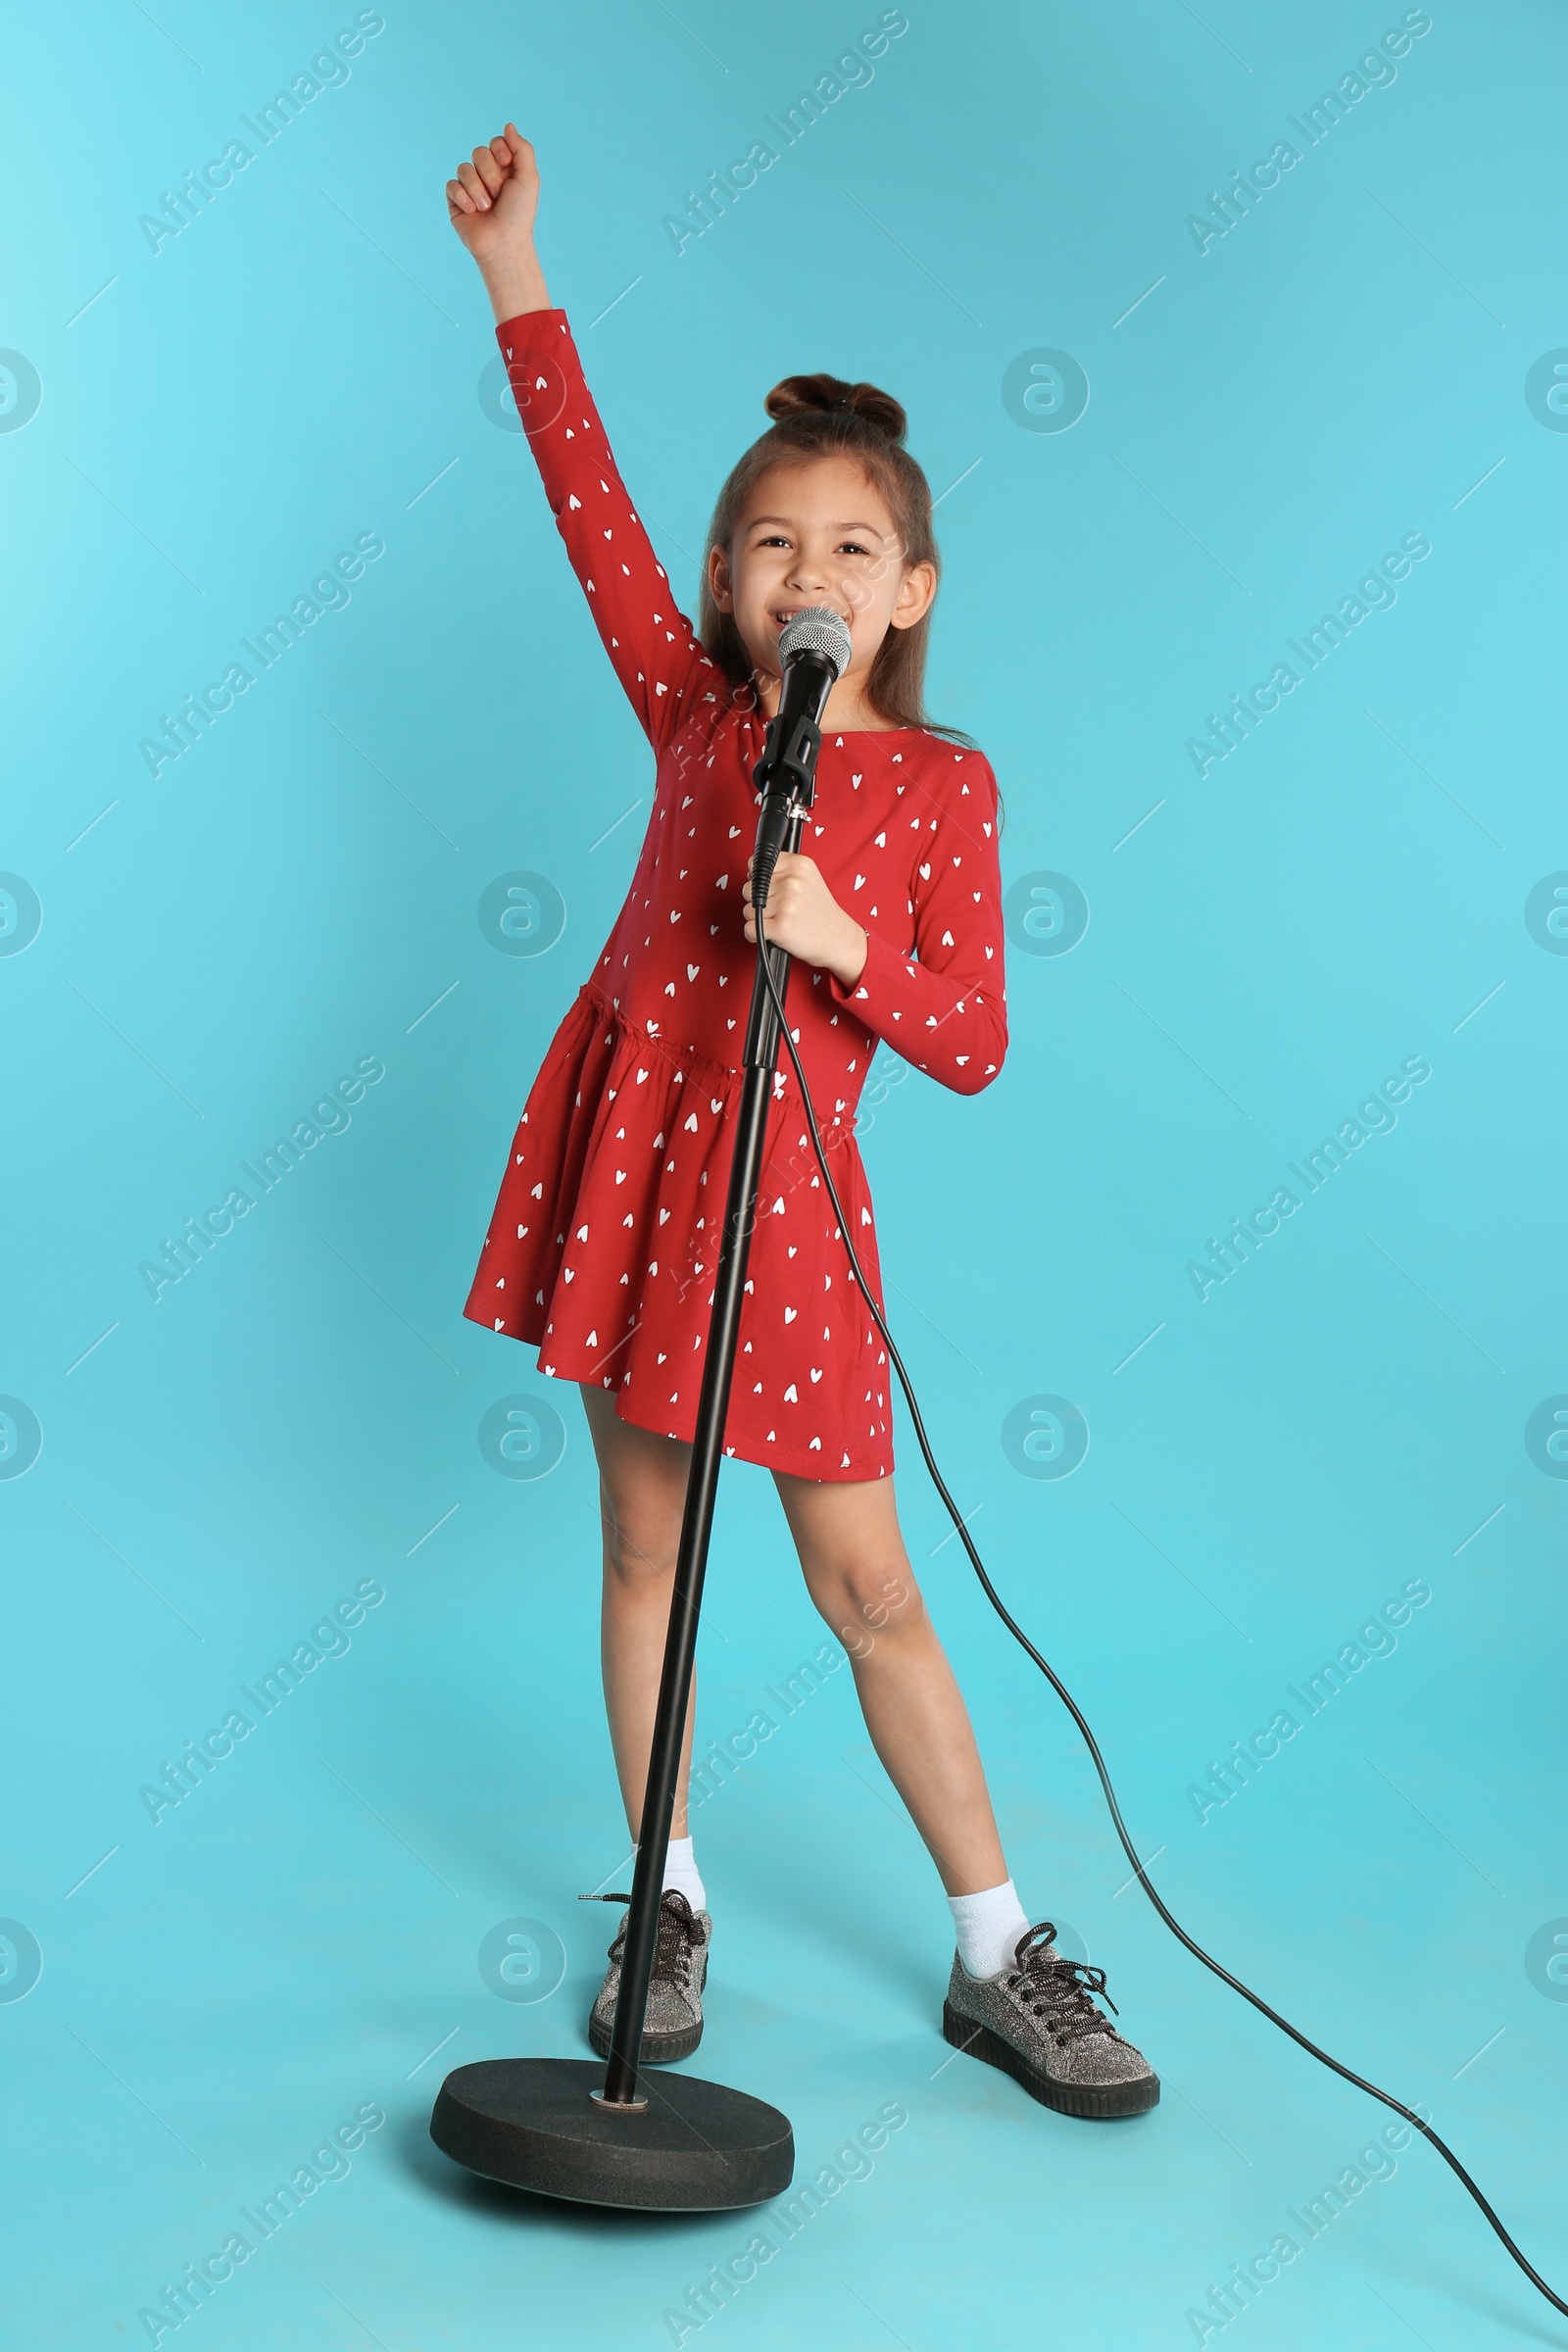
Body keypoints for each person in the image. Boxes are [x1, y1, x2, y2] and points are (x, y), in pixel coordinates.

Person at [444, 122, 1158, 2119]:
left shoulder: (939, 786)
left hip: (790, 1229)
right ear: (723, 581)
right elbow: (581, 497)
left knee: (869, 1591)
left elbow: (973, 1042)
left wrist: (837, 939)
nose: (804, 572)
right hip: (629, 1173)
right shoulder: (688, 718)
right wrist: (519, 276)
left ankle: (998, 1945)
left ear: (907, 587)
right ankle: (662, 1901)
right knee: (640, 1547)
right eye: (768, 544)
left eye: (848, 546)